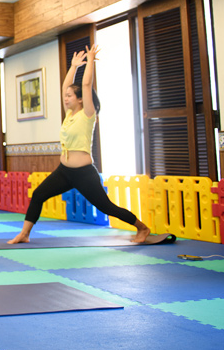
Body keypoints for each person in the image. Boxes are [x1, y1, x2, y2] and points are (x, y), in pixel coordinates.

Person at [8, 44, 151, 245]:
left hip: (84, 173)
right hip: (64, 171)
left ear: (81, 100)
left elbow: (86, 85)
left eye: (69, 96)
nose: (65, 98)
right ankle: (24, 234)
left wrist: (90, 61)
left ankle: (142, 228)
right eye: (65, 96)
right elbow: (66, 84)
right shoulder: (69, 114)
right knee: (39, 194)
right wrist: (73, 66)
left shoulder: (87, 115)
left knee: (107, 207)